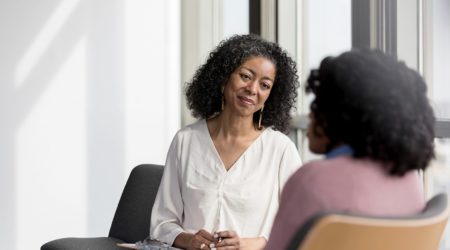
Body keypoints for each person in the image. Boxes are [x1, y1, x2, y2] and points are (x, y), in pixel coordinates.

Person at [265, 49, 435, 250]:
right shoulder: (409, 179)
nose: (311, 114)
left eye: (319, 103)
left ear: (343, 115)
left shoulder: (313, 180)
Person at [150, 34, 302, 250]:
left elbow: (298, 227)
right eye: (245, 76)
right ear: (223, 77)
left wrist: (247, 245)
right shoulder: (186, 141)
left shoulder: (280, 150)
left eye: (265, 85)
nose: (253, 89)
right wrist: (189, 240)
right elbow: (162, 222)